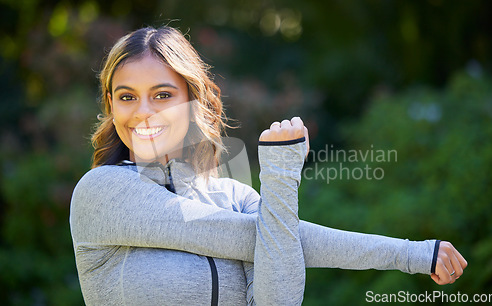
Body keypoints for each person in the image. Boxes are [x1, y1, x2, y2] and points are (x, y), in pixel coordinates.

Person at [69, 26, 467, 305]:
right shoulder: (102, 191)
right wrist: (409, 255)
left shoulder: (235, 195)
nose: (143, 113)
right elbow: (259, 238)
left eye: (161, 94)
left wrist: (279, 179)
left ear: (194, 100)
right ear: (109, 104)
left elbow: (279, 298)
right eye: (126, 97)